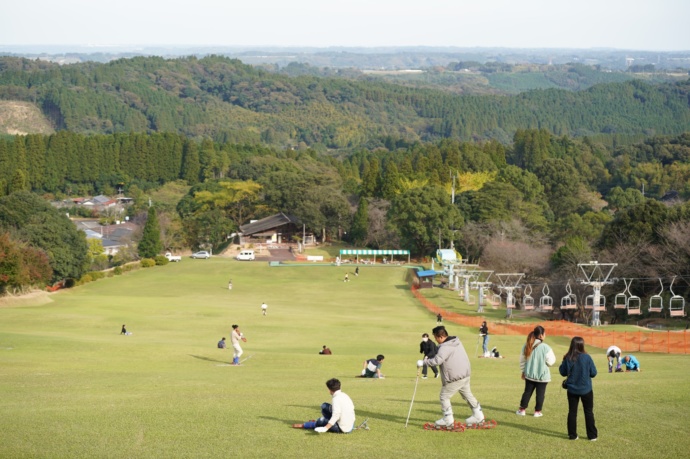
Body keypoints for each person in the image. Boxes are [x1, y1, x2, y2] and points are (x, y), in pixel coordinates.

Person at [424, 326, 485, 427]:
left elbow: (437, 360)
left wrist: (424, 362)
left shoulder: (445, 347)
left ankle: (448, 419)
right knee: (467, 395)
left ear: (440, 336)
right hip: (465, 375)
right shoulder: (456, 342)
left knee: (444, 396)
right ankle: (478, 416)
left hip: (454, 377)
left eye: (435, 337)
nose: (435, 339)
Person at [559, 336, 598, 441]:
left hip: (572, 390)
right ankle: (592, 435)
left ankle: (572, 435)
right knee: (588, 412)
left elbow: (562, 372)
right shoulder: (587, 357)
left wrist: (564, 361)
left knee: (572, 412)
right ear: (582, 345)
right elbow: (594, 373)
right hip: (586, 389)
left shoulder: (568, 358)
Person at [516, 325, 556, 417]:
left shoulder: (527, 345)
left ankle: (522, 410)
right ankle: (537, 412)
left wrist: (523, 371)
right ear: (541, 335)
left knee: (527, 392)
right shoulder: (546, 347)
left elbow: (522, 360)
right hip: (542, 376)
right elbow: (551, 362)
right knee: (540, 394)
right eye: (544, 334)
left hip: (529, 374)